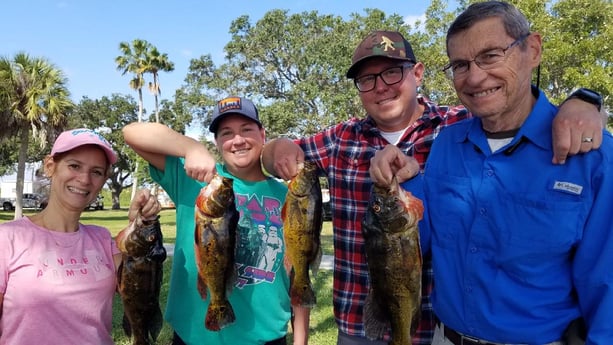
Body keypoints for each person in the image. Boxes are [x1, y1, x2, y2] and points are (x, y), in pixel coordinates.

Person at [260, 27, 604, 344]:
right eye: (367, 79)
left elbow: (517, 109)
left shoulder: (460, 126)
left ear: (418, 73)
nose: (381, 86)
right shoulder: (338, 138)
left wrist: (585, 101)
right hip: (357, 324)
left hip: (433, 325)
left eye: (392, 72)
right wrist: (279, 148)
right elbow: (267, 157)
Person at [369, 1, 612, 344]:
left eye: (491, 55)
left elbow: (607, 285)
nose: (475, 76)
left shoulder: (594, 157)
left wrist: (586, 99)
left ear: (533, 50)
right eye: (460, 65)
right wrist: (403, 186)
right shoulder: (447, 144)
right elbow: (414, 241)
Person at [122, 96, 310, 345]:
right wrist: (191, 147)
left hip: (266, 337)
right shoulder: (195, 179)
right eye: (227, 133)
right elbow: (132, 133)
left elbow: (300, 273)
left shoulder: (290, 196)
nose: (238, 140)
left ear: (263, 135)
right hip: (194, 337)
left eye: (246, 130)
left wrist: (301, 340)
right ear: (217, 142)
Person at [0, 128, 161, 345]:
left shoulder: (102, 239)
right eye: (74, 166)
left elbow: (139, 285)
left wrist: (139, 222)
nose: (84, 179)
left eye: (96, 171)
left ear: (104, 179)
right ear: (50, 166)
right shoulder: (8, 238)